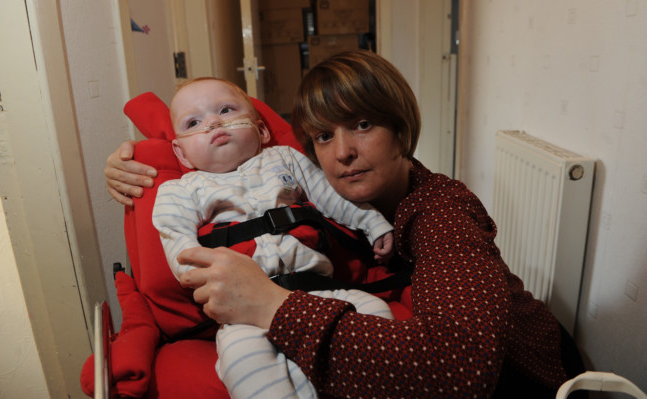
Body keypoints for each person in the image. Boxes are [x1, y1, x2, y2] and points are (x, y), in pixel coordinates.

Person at [105, 51, 586, 398]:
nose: (342, 153)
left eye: (361, 125)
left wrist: (274, 306)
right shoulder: (312, 194)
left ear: (401, 128)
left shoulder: (441, 211)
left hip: (528, 379)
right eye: (322, 135)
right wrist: (135, 165)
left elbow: (458, 372)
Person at [152, 77, 395, 399]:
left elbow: (331, 196)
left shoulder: (285, 159)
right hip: (242, 312)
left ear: (261, 131)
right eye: (194, 122)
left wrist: (373, 222)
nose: (213, 122)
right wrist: (199, 277)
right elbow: (176, 238)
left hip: (321, 290)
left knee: (377, 313)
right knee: (243, 360)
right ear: (181, 153)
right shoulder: (179, 190)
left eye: (226, 110)